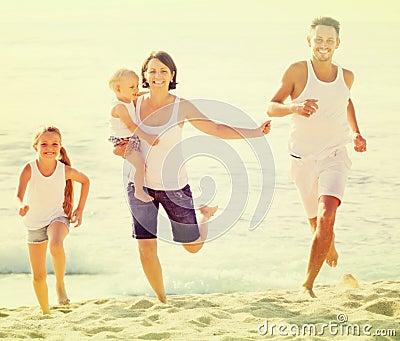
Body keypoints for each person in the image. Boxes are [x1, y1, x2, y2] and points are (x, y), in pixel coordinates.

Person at [116, 50, 271, 303]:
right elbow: (117, 132)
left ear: (172, 75)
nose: (157, 76)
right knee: (145, 249)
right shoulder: (133, 104)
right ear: (144, 74)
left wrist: (254, 132)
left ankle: (204, 214)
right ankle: (162, 300)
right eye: (152, 71)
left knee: (193, 247)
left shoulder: (181, 106)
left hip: (174, 187)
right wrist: (121, 149)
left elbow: (216, 128)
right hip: (139, 185)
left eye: (163, 71)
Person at [267, 16, 367, 298]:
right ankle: (329, 243)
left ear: (338, 43)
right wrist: (295, 107)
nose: (324, 44)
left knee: (327, 216)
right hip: (302, 159)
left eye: (329, 40)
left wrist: (356, 133)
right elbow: (271, 107)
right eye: (319, 39)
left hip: (335, 154)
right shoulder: (298, 71)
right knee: (316, 223)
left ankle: (307, 284)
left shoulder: (347, 76)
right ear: (309, 40)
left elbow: (346, 101)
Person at [16, 126, 90, 314]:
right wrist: (20, 206)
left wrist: (79, 209)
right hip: (34, 224)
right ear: (35, 147)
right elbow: (18, 196)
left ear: (60, 146)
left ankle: (60, 284)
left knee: (56, 245)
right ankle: (46, 312)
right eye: (44, 144)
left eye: (54, 144)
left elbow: (85, 180)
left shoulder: (64, 170)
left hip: (57, 217)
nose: (50, 148)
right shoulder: (29, 169)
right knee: (38, 277)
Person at [108, 68, 159, 202]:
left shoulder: (129, 98)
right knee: (140, 165)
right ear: (118, 89)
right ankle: (138, 191)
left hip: (131, 139)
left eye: (136, 85)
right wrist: (147, 137)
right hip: (124, 141)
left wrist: (153, 91)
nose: (136, 89)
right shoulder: (120, 107)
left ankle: (133, 175)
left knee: (141, 163)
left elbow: (140, 94)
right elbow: (131, 126)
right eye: (132, 87)